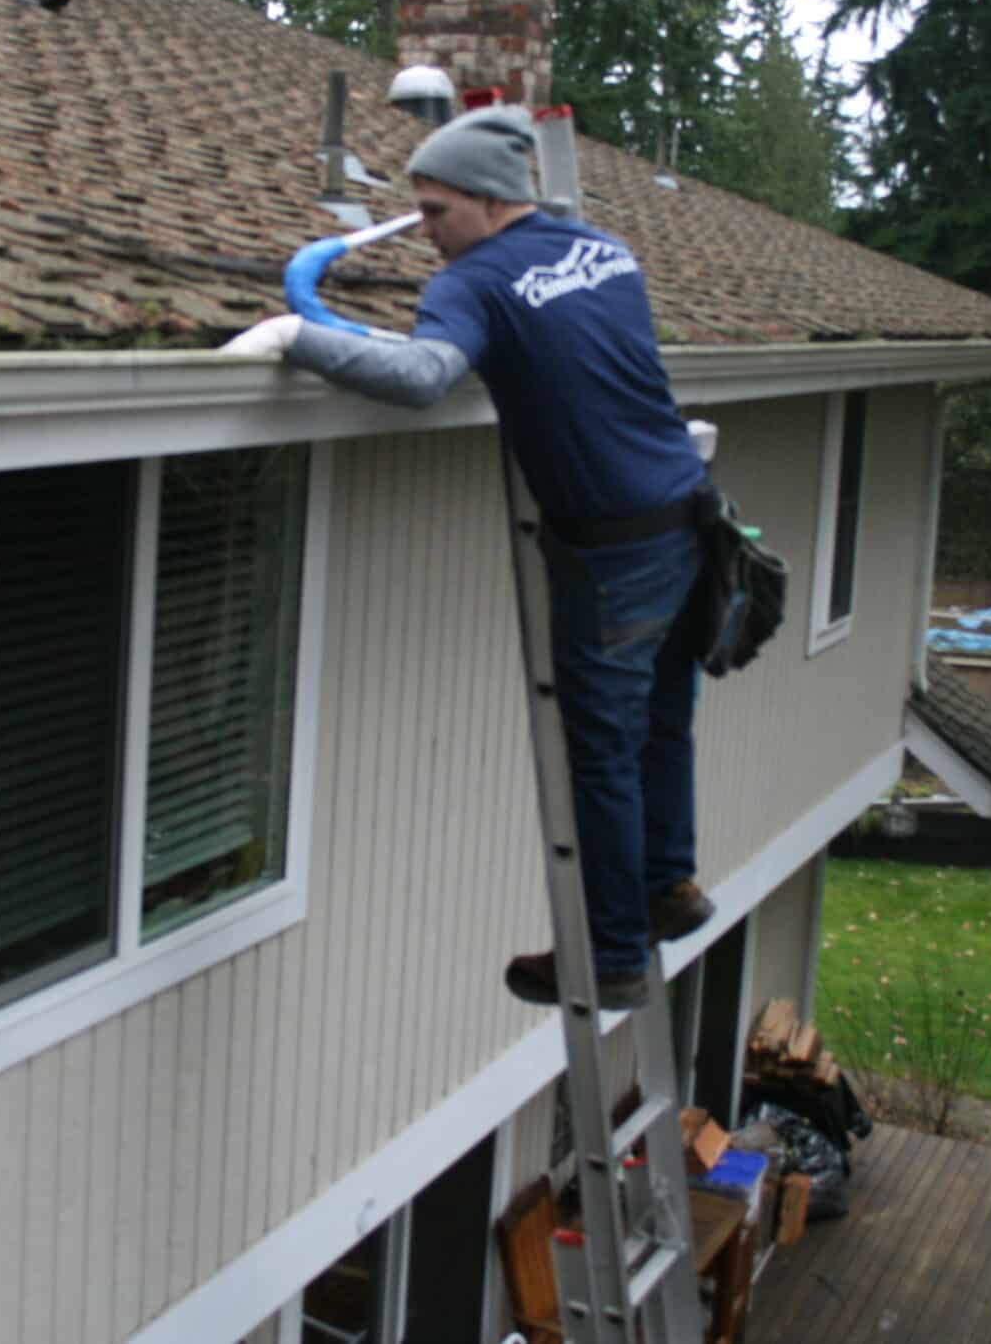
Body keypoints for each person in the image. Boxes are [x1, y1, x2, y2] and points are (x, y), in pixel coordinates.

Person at [222, 103, 715, 1010]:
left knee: (599, 751)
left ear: (491, 203)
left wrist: (298, 336)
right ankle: (669, 886)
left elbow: (420, 379)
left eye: (437, 211)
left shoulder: (475, 281)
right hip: (691, 519)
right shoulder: (608, 249)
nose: (428, 236)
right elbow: (562, 351)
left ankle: (610, 956)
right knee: (662, 723)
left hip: (611, 551)